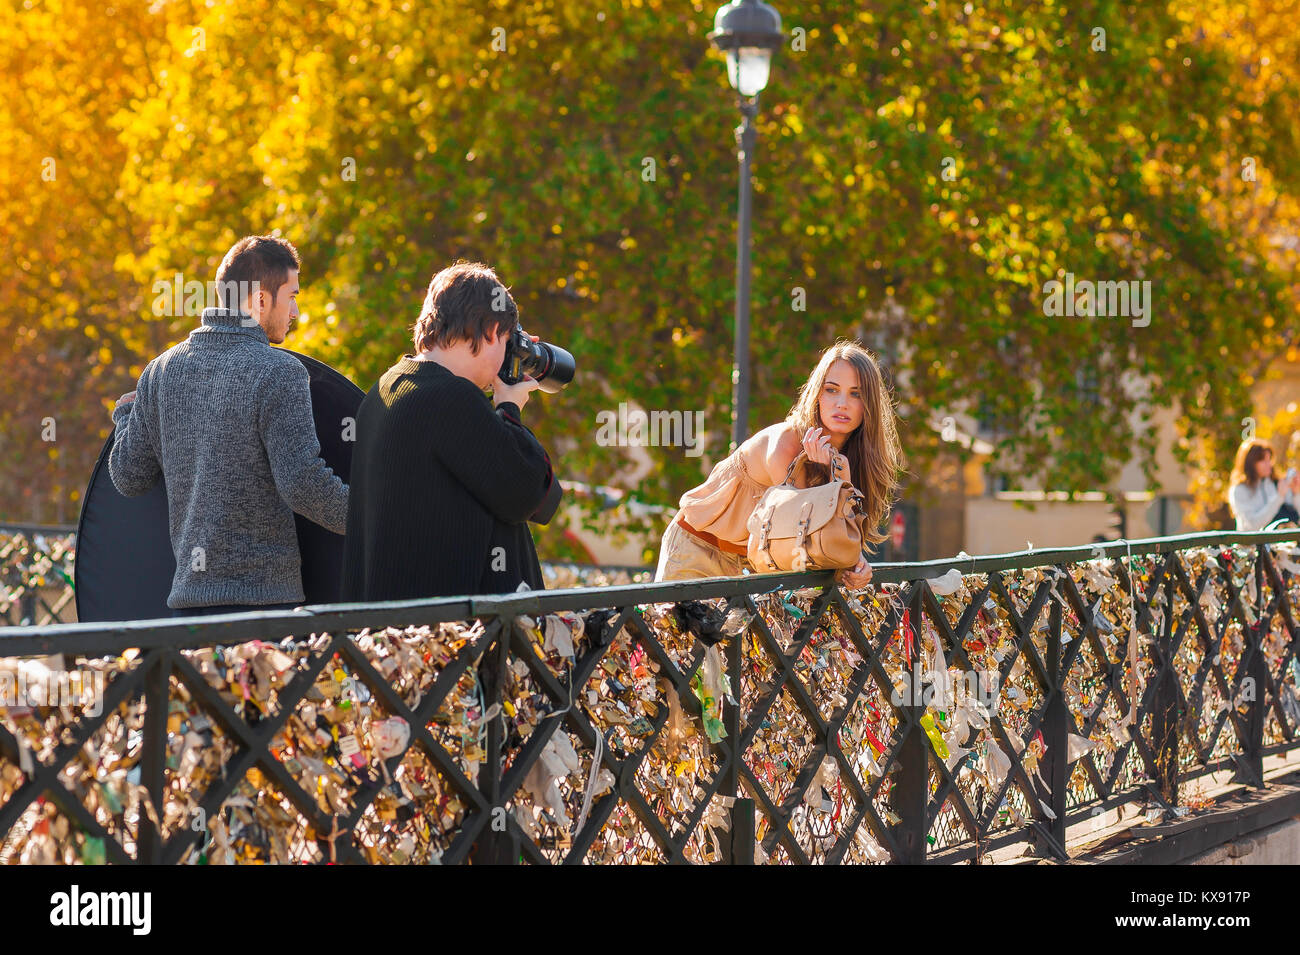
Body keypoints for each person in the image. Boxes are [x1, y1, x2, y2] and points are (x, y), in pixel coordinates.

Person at [108, 235, 349, 616]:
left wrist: (125, 416)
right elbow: (302, 484)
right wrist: (372, 518)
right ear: (260, 300)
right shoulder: (279, 371)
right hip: (263, 612)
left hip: (189, 610)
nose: (296, 312)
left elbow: (128, 477)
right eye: (292, 296)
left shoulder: (161, 371)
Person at [339, 261, 561, 601]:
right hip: (448, 638)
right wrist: (509, 406)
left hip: (388, 626)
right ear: (491, 331)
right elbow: (529, 492)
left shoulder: (387, 386)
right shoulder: (451, 398)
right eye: (505, 340)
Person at [655, 340, 904, 588]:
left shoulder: (853, 458)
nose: (842, 403)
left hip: (755, 567)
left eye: (856, 393)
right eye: (831, 389)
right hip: (698, 551)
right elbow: (802, 533)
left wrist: (857, 567)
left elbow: (835, 538)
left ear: (868, 404)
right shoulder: (787, 443)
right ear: (817, 395)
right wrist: (837, 481)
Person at [1228, 437, 1300, 531]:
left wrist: (1296, 493)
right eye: (1262, 460)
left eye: (1269, 459)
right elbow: (1252, 526)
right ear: (1250, 463)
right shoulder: (1239, 490)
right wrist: (1279, 497)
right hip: (1251, 545)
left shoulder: (1276, 483)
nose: (1269, 464)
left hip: (1282, 544)